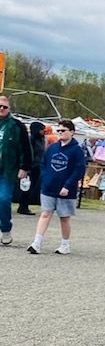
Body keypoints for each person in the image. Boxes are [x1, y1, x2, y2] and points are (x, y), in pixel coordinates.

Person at [27, 120, 88, 256]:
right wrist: (45, 178)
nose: (60, 133)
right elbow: (44, 163)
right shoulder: (53, 147)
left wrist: (68, 185)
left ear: (71, 132)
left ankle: (65, 244)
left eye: (63, 130)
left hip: (66, 190)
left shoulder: (77, 150)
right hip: (49, 187)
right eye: (58, 131)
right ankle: (37, 243)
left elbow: (79, 170)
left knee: (64, 217)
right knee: (45, 213)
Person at [0, 94, 31, 246]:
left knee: (4, 199)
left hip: (8, 169)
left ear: (9, 109)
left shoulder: (17, 126)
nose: (1, 109)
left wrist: (25, 167)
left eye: (4, 107)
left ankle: (6, 229)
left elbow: (26, 147)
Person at [17, 120, 46, 214]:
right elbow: (28, 153)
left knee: (31, 187)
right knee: (26, 187)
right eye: (42, 129)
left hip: (38, 167)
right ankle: (23, 207)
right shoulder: (31, 139)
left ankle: (24, 205)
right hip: (30, 167)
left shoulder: (41, 140)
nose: (43, 131)